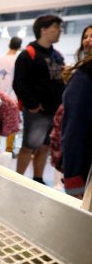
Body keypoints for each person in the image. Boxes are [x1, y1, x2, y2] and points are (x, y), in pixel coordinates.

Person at [13, 14, 65, 185]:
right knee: (29, 146)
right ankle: (17, 180)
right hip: (37, 112)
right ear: (43, 30)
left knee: (45, 147)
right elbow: (19, 83)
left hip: (54, 111)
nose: (60, 31)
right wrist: (33, 105)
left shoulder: (57, 55)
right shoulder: (28, 54)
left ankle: (37, 179)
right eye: (56, 27)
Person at [59, 26, 92, 198]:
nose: (87, 40)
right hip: (84, 166)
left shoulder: (84, 76)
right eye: (85, 36)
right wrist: (72, 178)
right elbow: (73, 130)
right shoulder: (83, 76)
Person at [0, 36, 22, 154]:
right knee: (12, 122)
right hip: (13, 96)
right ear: (19, 46)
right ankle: (9, 150)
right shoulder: (18, 59)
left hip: (0, 94)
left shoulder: (0, 59)